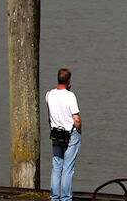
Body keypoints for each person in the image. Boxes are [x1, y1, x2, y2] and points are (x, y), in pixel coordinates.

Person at [46, 68, 82, 201]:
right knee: (67, 168)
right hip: (69, 134)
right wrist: (79, 131)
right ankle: (66, 198)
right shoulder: (70, 96)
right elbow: (76, 119)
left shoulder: (49, 94)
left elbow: (50, 115)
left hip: (55, 133)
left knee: (56, 166)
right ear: (69, 80)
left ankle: (54, 197)